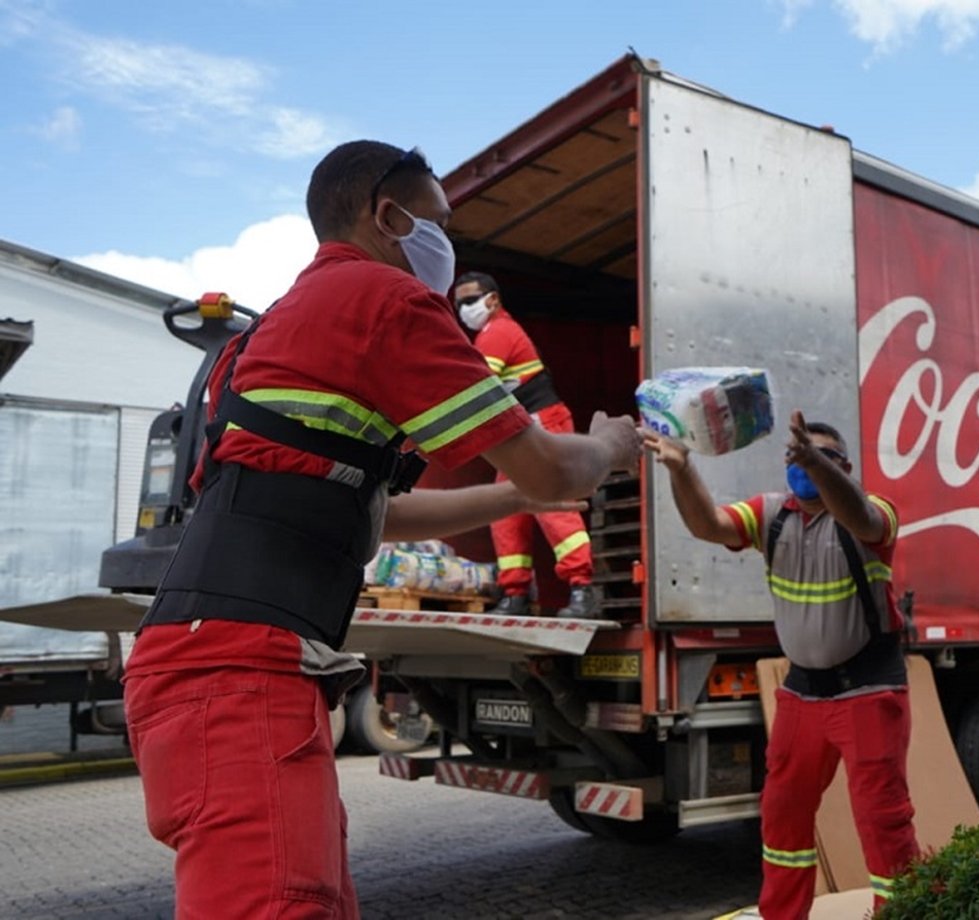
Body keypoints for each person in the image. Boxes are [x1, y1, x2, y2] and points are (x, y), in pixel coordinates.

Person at [122, 140, 640, 919]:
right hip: (239, 676)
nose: (446, 245)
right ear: (388, 215)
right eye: (438, 220)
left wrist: (513, 501)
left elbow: (380, 514)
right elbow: (551, 468)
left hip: (217, 663)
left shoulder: (285, 327)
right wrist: (607, 448)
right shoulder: (384, 301)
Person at [642, 410, 919, 919]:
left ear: (846, 467)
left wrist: (819, 466)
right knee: (782, 818)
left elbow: (859, 515)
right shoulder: (772, 515)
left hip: (868, 691)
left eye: (821, 457)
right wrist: (681, 469)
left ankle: (902, 914)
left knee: (883, 819)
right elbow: (708, 525)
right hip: (802, 694)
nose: (804, 466)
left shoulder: (874, 514)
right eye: (797, 455)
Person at [451, 271, 601, 619]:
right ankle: (515, 593)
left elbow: (473, 390)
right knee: (506, 512)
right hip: (523, 433)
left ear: (493, 299)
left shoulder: (498, 333)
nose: (464, 309)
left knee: (553, 506)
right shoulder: (489, 335)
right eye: (459, 304)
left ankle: (583, 590)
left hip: (544, 424)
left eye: (471, 301)